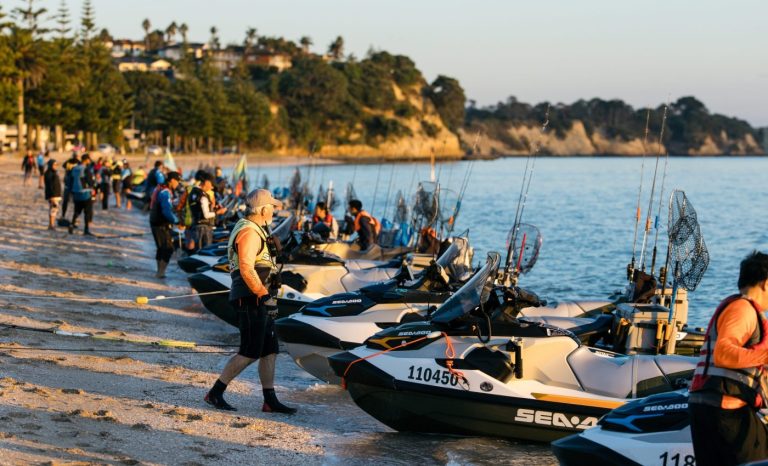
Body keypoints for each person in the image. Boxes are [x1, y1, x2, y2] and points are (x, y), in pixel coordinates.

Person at [204, 189, 296, 414]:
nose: (274, 210)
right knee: (250, 351)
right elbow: (245, 266)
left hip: (260, 297)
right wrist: (262, 294)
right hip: (251, 298)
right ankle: (215, 393)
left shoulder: (257, 228)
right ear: (264, 209)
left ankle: (269, 400)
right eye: (272, 207)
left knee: (269, 350)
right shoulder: (248, 231)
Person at [689, 250, 768, 465]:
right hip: (724, 411)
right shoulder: (743, 309)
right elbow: (724, 354)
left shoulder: (740, 307)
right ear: (765, 283)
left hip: (711, 407)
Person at [149, 171, 182, 278]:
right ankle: (160, 273)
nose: (178, 184)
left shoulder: (161, 189)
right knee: (168, 248)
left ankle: (159, 272)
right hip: (160, 224)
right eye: (177, 181)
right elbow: (166, 211)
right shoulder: (165, 192)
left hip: (155, 222)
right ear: (172, 180)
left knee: (161, 247)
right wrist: (177, 221)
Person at [188, 172, 226, 253]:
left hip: (195, 226)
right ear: (207, 182)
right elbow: (206, 215)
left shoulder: (193, 192)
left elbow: (199, 209)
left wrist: (214, 208)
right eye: (211, 185)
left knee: (198, 251)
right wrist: (218, 212)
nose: (212, 188)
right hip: (203, 228)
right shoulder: (202, 196)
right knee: (206, 252)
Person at [69, 154, 95, 236]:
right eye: (89, 159)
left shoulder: (74, 168)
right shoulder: (86, 169)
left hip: (75, 192)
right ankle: (86, 229)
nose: (89, 161)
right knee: (87, 212)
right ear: (86, 160)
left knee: (77, 211)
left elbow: (70, 179)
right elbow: (90, 181)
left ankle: (72, 225)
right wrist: (93, 187)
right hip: (85, 192)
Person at [60, 151, 80, 220]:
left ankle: (74, 217)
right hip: (69, 184)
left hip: (73, 184)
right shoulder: (71, 162)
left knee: (74, 202)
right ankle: (63, 215)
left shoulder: (77, 163)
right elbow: (63, 166)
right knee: (66, 201)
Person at [43, 159, 62, 230]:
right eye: (54, 164)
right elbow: (49, 186)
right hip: (53, 195)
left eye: (56, 165)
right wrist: (52, 196)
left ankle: (52, 224)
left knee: (54, 210)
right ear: (50, 165)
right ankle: (51, 225)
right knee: (53, 209)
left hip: (56, 194)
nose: (55, 166)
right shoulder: (48, 173)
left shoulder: (54, 172)